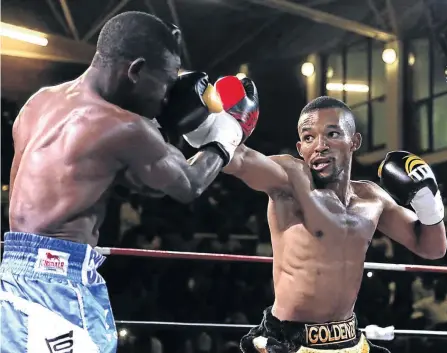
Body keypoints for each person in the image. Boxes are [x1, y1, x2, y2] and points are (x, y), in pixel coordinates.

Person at [0, 11, 259, 353]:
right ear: (135, 70)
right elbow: (188, 184)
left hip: (12, 275)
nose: (167, 97)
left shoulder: (39, 102)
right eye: (166, 82)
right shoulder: (124, 127)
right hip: (58, 282)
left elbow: (138, 184)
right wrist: (228, 134)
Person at [222, 94, 447, 353]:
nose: (320, 145)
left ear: (355, 141)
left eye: (332, 134)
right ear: (300, 148)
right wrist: (225, 127)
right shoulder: (290, 180)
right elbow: (238, 160)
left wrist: (429, 202)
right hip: (289, 341)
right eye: (309, 137)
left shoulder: (373, 199)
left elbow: (432, 248)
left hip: (349, 338)